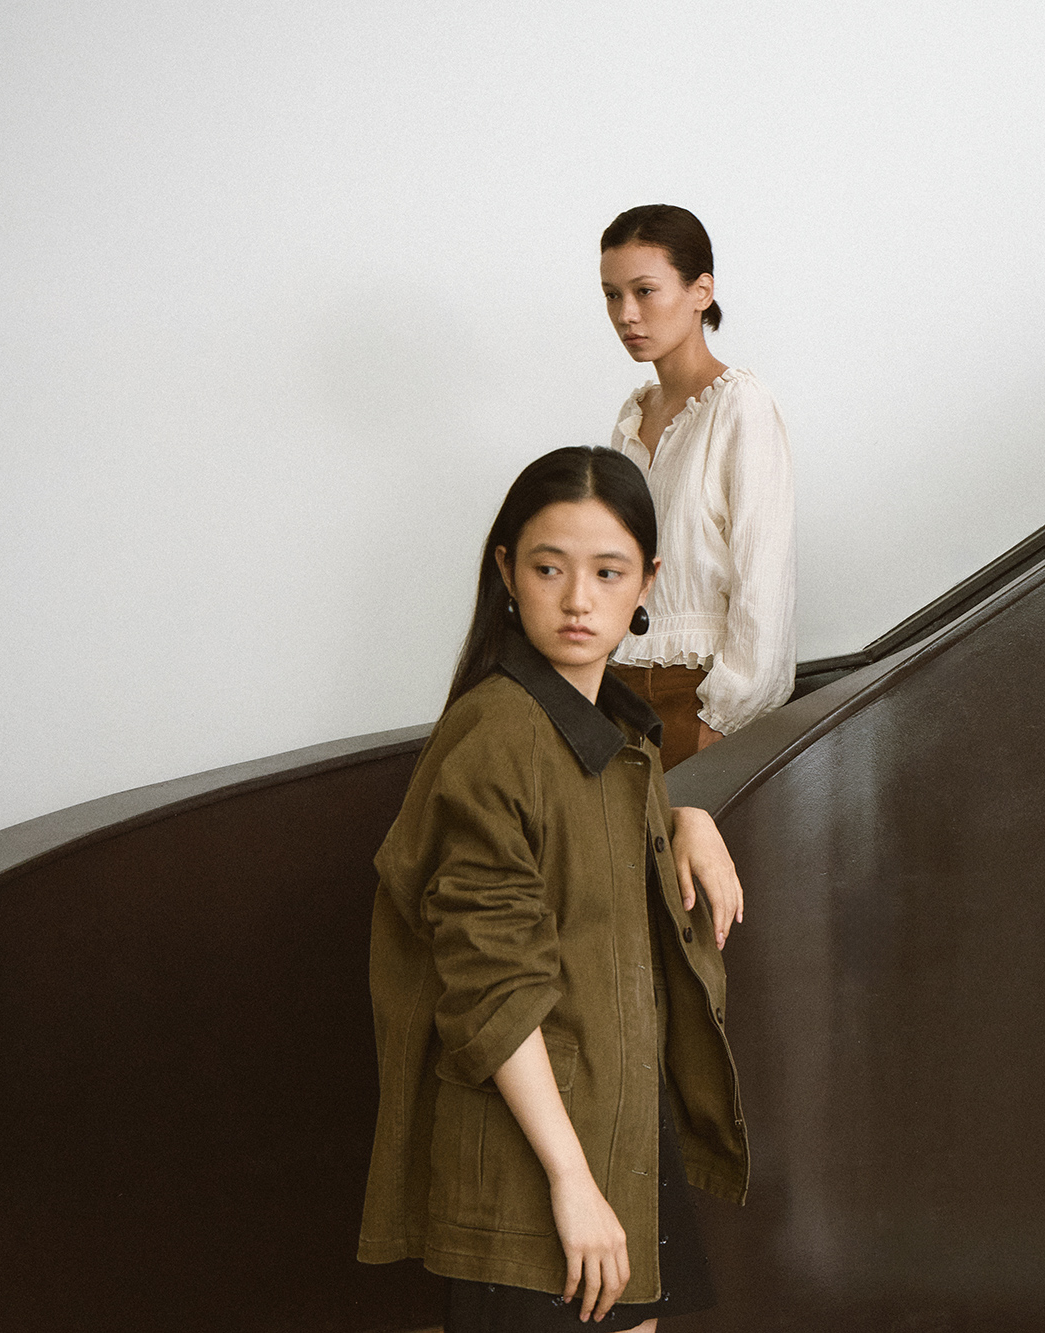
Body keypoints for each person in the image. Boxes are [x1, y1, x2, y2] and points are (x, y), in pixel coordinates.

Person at [358, 447, 749, 1331]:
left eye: (607, 572)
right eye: (548, 568)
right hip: (537, 1155)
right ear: (507, 571)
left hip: (621, 1122)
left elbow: (584, 848)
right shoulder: (495, 734)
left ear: (647, 581)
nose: (578, 600)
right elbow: (492, 987)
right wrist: (572, 1180)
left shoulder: (612, 727)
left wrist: (684, 817)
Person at [600, 204, 796, 770]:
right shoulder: (633, 417)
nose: (626, 314)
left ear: (700, 292)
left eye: (645, 291)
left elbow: (765, 585)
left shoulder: (741, 406)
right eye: (612, 295)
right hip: (614, 696)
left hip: (696, 701)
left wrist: (716, 726)